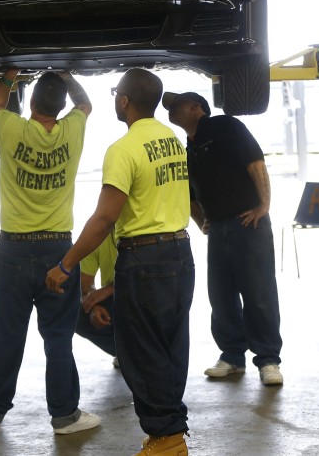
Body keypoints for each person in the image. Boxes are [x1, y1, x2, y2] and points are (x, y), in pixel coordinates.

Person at [46, 68, 194, 456]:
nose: (115, 99)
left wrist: (67, 264)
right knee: (171, 346)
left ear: (125, 101)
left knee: (141, 352)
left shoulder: (123, 149)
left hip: (144, 258)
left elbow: (104, 218)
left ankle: (166, 439)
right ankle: (171, 435)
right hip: (180, 252)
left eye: (116, 93)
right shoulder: (173, 139)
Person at [0, 69, 101, 435]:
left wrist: (11, 75)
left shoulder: (12, 127)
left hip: (12, 250)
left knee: (5, 335)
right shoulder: (73, 128)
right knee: (59, 336)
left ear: (31, 102)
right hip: (58, 250)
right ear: (62, 107)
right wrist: (67, 75)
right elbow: (86, 104)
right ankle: (64, 416)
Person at [163, 91, 283, 386]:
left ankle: (268, 360)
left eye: (176, 105)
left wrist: (264, 206)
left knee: (259, 293)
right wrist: (202, 222)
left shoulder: (226, 126)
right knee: (221, 295)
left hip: (248, 223)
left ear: (196, 108)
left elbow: (255, 163)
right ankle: (231, 356)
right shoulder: (186, 148)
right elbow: (189, 195)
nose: (170, 110)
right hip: (218, 228)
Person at [75, 233, 118, 366]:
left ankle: (142, 354)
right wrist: (93, 305)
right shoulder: (98, 232)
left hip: (145, 294)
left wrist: (108, 289)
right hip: (115, 299)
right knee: (73, 313)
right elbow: (85, 282)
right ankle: (123, 353)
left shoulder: (141, 229)